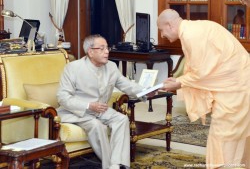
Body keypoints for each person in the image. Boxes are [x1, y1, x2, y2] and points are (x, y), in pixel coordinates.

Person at [157, 9, 250, 168]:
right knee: (237, 132)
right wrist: (179, 79)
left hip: (235, 85)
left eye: (161, 30)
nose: (162, 35)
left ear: (170, 25)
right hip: (235, 81)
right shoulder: (193, 29)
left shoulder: (191, 35)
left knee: (223, 132)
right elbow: (201, 68)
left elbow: (202, 72)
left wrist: (179, 82)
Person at [57, 34, 149, 169]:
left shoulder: (111, 67)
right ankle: (109, 165)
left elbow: (127, 85)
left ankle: (117, 163)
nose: (107, 51)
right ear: (90, 52)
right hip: (77, 111)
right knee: (96, 125)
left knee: (121, 119)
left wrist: (146, 91)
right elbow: (63, 97)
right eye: (102, 48)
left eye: (107, 48)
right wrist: (88, 105)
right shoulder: (73, 68)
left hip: (101, 110)